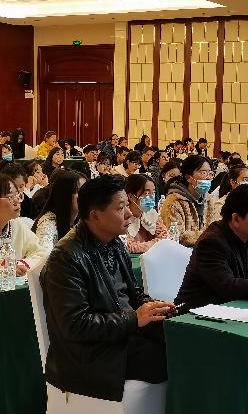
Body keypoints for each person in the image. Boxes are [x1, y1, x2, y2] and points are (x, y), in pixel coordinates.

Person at [40, 175, 174, 402]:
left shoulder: (114, 243)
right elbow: (76, 325)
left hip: (121, 336)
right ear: (95, 215)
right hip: (91, 354)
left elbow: (132, 294)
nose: (129, 213)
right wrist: (134, 319)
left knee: (182, 335)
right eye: (120, 208)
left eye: (127, 206)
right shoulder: (66, 257)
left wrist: (153, 308)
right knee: (173, 356)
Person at [160, 155, 212, 246]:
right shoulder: (174, 202)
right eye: (203, 172)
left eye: (210, 173)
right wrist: (209, 237)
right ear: (188, 177)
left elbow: (214, 229)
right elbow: (178, 236)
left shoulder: (208, 199)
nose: (208, 177)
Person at [33, 170, 86, 250]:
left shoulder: (81, 220)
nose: (86, 196)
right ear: (65, 195)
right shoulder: (48, 225)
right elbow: (44, 255)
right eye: (79, 191)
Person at [125, 174, 168, 253]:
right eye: (146, 193)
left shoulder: (152, 213)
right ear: (131, 196)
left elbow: (164, 236)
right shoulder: (124, 217)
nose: (151, 197)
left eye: (153, 193)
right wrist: (156, 243)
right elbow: (129, 246)